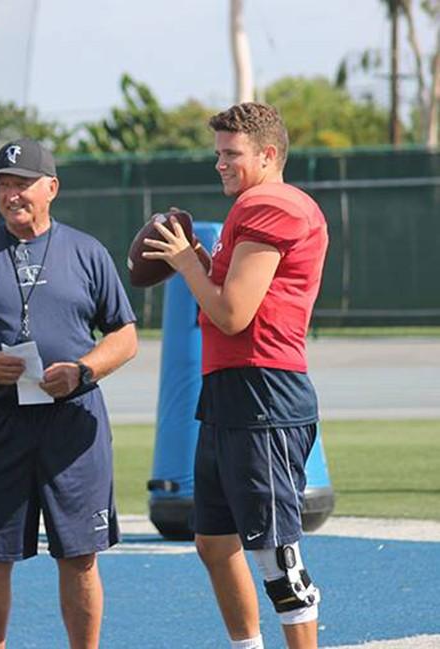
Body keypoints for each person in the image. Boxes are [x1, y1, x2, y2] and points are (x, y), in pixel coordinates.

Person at [0, 138, 137, 649]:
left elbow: (125, 337)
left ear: (52, 188)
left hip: (72, 423)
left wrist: (83, 371)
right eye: (2, 184)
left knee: (80, 555)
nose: (11, 193)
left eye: (21, 183)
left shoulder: (87, 252)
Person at [142, 103, 328, 649]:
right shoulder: (249, 208)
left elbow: (231, 313)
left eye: (231, 154)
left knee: (275, 551)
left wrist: (187, 263)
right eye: (217, 153)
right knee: (213, 540)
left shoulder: (272, 204)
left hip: (263, 391)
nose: (219, 164)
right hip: (229, 389)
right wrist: (199, 254)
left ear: (268, 155)